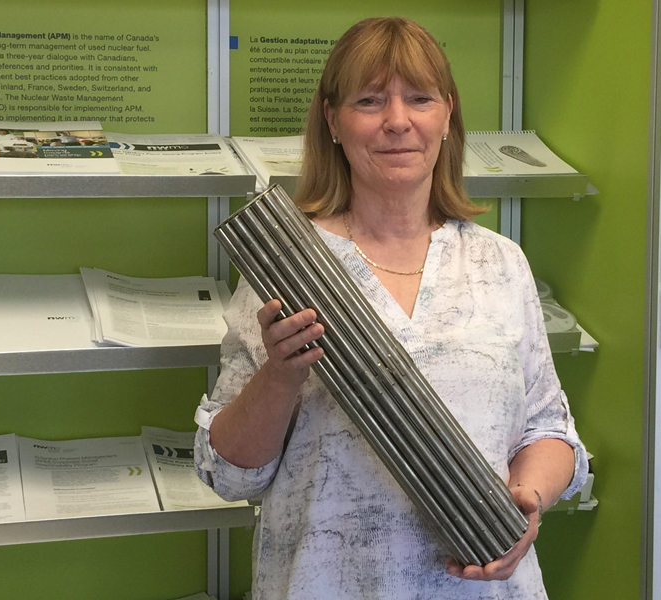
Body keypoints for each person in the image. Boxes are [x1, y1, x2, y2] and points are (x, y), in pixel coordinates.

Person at [194, 16, 588, 599]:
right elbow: (227, 474)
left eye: (420, 99)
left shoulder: (499, 263)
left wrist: (529, 499)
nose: (398, 121)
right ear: (333, 120)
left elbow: (548, 429)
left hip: (484, 587)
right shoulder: (290, 267)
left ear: (448, 115)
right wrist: (280, 375)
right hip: (324, 585)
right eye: (370, 100)